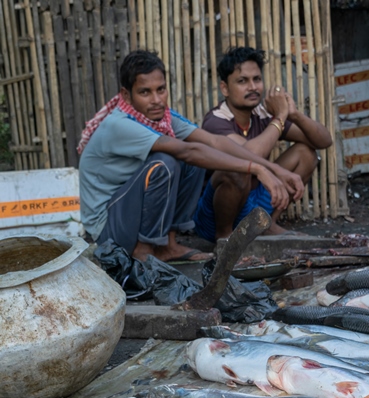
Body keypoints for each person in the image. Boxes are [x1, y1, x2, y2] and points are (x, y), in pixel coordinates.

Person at [78, 49, 304, 262]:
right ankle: (143, 252)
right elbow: (188, 151)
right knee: (167, 162)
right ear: (126, 95)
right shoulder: (120, 124)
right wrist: (257, 169)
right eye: (145, 92)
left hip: (129, 214)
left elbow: (215, 142)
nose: (156, 99)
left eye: (161, 89)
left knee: (192, 158)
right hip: (109, 228)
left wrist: (276, 170)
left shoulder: (163, 117)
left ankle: (169, 244)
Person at [194, 46, 333, 242]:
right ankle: (224, 240)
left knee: (306, 153)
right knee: (236, 168)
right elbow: (248, 154)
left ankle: (267, 225)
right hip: (215, 217)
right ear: (224, 88)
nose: (252, 87)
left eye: (257, 79)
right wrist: (281, 116)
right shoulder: (216, 120)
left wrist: (294, 114)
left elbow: (324, 140)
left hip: (256, 201)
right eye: (242, 81)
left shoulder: (262, 115)